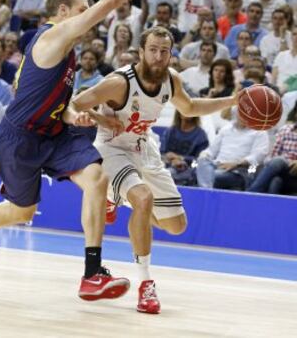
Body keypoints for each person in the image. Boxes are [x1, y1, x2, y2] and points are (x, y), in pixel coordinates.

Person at [0, 0, 184, 302]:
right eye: (81, 8)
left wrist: (83, 114)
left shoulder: (65, 48)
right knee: (22, 210)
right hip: (18, 138)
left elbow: (57, 99)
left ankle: (92, 273)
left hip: (53, 132)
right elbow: (111, 4)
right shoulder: (54, 35)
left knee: (96, 177)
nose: (87, 14)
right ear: (64, 10)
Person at [71, 26, 237, 314]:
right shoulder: (119, 82)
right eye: (153, 50)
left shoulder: (171, 80)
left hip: (144, 149)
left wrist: (232, 100)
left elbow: (191, 107)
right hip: (112, 150)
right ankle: (146, 284)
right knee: (144, 199)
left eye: (164, 51)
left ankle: (117, 201)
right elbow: (75, 102)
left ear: (171, 54)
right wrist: (100, 118)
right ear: (141, 52)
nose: (159, 57)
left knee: (176, 225)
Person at [196, 112, 269, 190]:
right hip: (217, 165)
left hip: (237, 171)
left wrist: (236, 164)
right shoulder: (225, 129)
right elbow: (211, 151)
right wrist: (204, 154)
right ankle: (207, 192)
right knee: (202, 162)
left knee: (210, 176)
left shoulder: (259, 132)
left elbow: (258, 156)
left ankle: (205, 194)